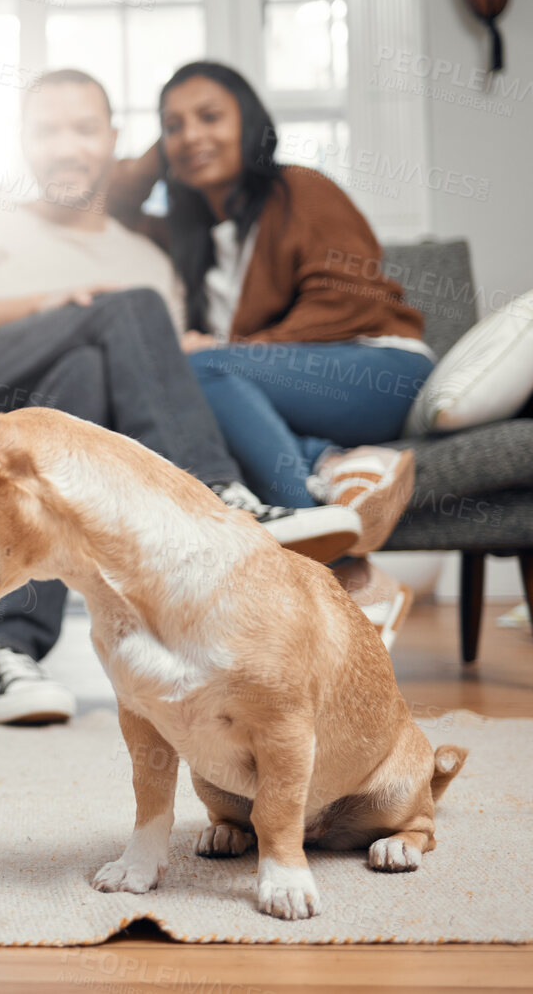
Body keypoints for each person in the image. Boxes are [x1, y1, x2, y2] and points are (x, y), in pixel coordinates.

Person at [0, 68, 363, 727]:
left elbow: (154, 385)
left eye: (82, 129)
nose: (64, 146)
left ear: (112, 141)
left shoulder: (147, 259)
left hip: (48, 434)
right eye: (45, 131)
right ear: (23, 143)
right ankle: (220, 495)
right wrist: (48, 306)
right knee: (116, 312)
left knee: (79, 377)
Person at [107, 60, 432, 648]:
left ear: (250, 122)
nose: (191, 136)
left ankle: (330, 561)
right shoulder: (190, 234)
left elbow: (349, 301)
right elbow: (111, 206)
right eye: (173, 126)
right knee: (191, 396)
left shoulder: (302, 189)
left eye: (211, 117)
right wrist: (172, 148)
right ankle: (335, 472)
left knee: (198, 369)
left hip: (379, 368)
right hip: (283, 393)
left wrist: (234, 352)